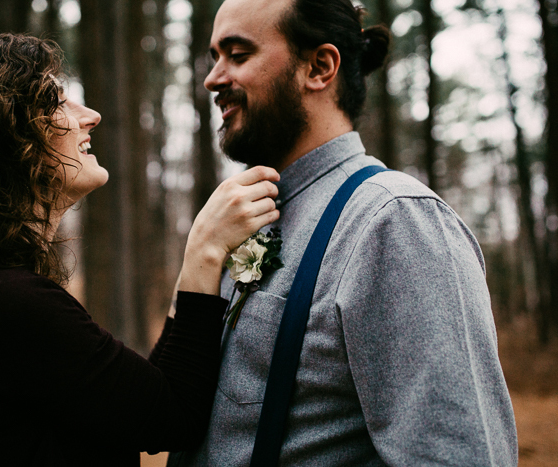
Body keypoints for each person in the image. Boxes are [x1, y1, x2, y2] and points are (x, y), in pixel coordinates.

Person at [0, 33, 280, 466]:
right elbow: (171, 416)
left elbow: (138, 399)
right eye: (57, 103)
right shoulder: (6, 302)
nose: (90, 116)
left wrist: (191, 271)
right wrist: (205, 249)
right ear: (5, 141)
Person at [168, 0, 518, 465]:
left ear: (319, 67)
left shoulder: (393, 222)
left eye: (238, 53)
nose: (213, 77)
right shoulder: (249, 215)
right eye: (215, 57)